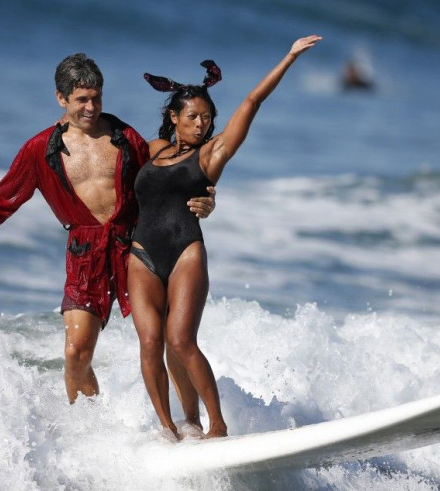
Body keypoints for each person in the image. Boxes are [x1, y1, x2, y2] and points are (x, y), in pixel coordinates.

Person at [0, 54, 216, 406]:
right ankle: (86, 428)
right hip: (84, 254)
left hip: (136, 244)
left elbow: (168, 177)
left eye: (97, 98)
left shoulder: (124, 137)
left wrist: (204, 199)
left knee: (168, 340)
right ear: (61, 98)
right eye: (81, 100)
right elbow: (3, 196)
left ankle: (191, 424)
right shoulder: (40, 150)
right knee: (76, 351)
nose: (91, 107)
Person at [128, 34, 322, 440]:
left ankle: (216, 425)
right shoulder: (155, 149)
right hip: (141, 253)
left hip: (185, 252)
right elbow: (113, 150)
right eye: (193, 117)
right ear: (174, 117)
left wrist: (288, 57)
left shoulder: (212, 154)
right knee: (151, 343)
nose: (202, 124)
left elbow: (251, 102)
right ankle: (171, 429)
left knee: (180, 341)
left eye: (207, 117)